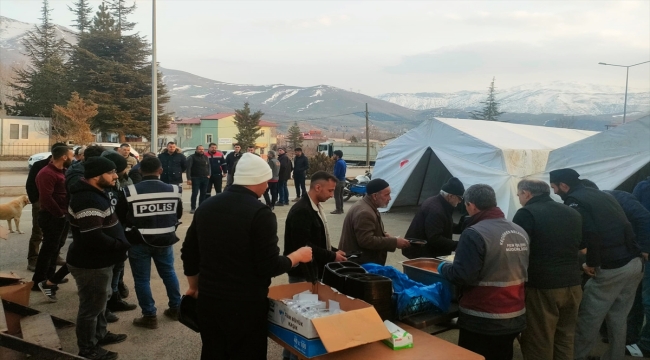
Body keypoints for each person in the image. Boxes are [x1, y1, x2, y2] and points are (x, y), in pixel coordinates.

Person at [181, 153, 313, 359]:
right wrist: (297, 256)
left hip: (209, 300)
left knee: (213, 351)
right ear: (256, 181)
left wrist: (194, 286)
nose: (267, 187)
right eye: (265, 181)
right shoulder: (260, 213)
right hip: (245, 304)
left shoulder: (206, 206)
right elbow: (268, 266)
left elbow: (189, 253)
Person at [549, 168, 643, 360]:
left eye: (554, 188)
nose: (555, 192)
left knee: (588, 320)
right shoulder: (601, 194)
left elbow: (589, 232)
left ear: (564, 185)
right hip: (634, 263)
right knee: (618, 318)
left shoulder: (575, 200)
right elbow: (625, 224)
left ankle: (577, 357)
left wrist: (590, 262)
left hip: (611, 269)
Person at [437, 184, 529, 360]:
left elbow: (462, 275)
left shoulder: (474, 233)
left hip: (483, 318)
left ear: (471, 205)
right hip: (514, 314)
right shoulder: (519, 231)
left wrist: (443, 267)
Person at [67, 156, 130, 360]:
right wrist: (119, 245)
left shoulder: (96, 192)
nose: (115, 176)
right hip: (91, 263)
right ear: (96, 176)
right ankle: (88, 349)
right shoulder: (88, 199)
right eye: (110, 172)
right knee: (91, 308)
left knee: (101, 302)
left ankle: (100, 335)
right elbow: (93, 236)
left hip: (101, 260)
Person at [512, 179, 583, 360]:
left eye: (519, 194)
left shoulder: (526, 213)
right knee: (565, 337)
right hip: (573, 284)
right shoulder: (572, 212)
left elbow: (517, 250)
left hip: (543, 286)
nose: (519, 198)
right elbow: (580, 245)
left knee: (539, 340)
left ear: (527, 193)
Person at [581, 179, 650, 356]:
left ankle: (579, 355)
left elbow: (644, 218)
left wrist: (644, 249)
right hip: (631, 259)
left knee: (591, 315)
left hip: (624, 259)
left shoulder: (620, 196)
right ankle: (621, 347)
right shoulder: (619, 196)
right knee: (624, 310)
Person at [123, 157, 183, 329]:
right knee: (169, 273)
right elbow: (177, 214)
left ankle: (149, 316)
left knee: (142, 279)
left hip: (138, 241)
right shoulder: (174, 189)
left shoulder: (130, 191)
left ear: (140, 171)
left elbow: (124, 216)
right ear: (161, 171)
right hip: (165, 240)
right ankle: (176, 308)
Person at [33, 145, 74, 302]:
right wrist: (59, 215)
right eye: (71, 155)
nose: (72, 157)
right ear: (64, 157)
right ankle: (39, 281)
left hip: (60, 216)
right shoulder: (47, 173)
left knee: (55, 249)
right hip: (51, 217)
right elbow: (46, 198)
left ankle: (51, 279)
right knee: (48, 250)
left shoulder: (61, 172)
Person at [338, 178, 410, 265]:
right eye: (387, 195)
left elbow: (368, 230)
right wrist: (394, 242)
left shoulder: (367, 206)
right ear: (375, 196)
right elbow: (366, 240)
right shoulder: (364, 212)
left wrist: (383, 235)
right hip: (360, 265)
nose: (390, 198)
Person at [101, 151, 137, 317]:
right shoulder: (99, 188)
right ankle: (105, 306)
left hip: (120, 232)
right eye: (114, 172)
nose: (116, 175)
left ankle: (114, 298)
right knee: (106, 273)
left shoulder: (125, 181)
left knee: (118, 268)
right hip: (107, 236)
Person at [25, 142, 67, 271]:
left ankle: (55, 257)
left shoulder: (64, 167)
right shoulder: (41, 166)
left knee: (56, 236)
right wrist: (36, 201)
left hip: (58, 206)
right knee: (38, 232)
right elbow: (30, 185)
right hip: (41, 203)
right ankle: (33, 258)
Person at [403, 177, 465, 259]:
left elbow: (442, 224)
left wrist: (460, 227)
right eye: (460, 198)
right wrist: (459, 245)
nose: (460, 201)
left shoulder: (438, 203)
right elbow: (435, 238)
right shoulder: (436, 210)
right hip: (422, 253)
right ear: (450, 196)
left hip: (424, 250)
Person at [186, 145, 211, 214]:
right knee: (195, 193)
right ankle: (193, 208)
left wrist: (209, 174)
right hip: (195, 178)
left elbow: (209, 166)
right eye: (200, 149)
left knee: (203, 193)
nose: (201, 150)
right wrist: (189, 178)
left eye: (202, 149)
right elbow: (188, 169)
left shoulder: (205, 157)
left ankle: (201, 207)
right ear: (196, 150)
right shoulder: (191, 157)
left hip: (205, 178)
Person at [331, 150, 346, 214]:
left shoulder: (338, 163)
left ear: (337, 156)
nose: (333, 156)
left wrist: (332, 178)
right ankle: (341, 209)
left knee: (337, 196)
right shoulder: (343, 161)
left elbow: (336, 173)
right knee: (340, 196)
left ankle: (338, 210)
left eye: (334, 155)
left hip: (338, 181)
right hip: (343, 180)